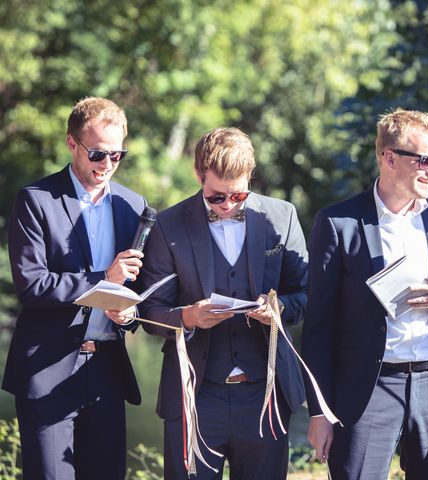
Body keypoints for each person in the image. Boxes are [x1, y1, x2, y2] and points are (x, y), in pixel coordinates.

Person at [301, 108, 428, 480]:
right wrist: (318, 411)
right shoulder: (338, 222)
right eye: (425, 160)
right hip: (367, 389)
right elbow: (318, 325)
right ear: (389, 158)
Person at [138, 127, 307, 479]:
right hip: (195, 397)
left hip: (266, 396)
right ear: (199, 174)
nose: (228, 206)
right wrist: (188, 316)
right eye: (217, 197)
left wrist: (279, 309)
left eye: (238, 195)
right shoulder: (168, 225)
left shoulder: (282, 216)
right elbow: (150, 313)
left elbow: (307, 295)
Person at [3, 97, 147, 479]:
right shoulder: (36, 200)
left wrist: (131, 313)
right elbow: (32, 285)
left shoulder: (134, 205)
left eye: (118, 156)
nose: (107, 166)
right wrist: (104, 279)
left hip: (107, 371)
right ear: (72, 144)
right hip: (47, 368)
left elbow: (138, 288)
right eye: (98, 154)